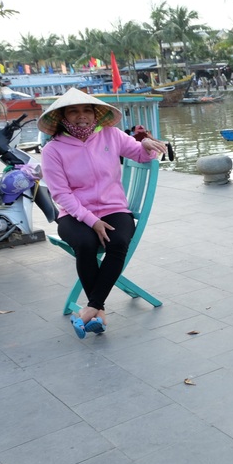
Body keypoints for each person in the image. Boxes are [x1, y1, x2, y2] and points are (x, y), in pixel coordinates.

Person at [39, 88, 168, 339]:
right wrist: (92, 220)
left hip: (114, 209)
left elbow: (140, 153)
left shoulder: (111, 134)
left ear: (95, 113)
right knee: (86, 243)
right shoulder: (52, 150)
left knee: (118, 241)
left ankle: (92, 309)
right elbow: (61, 194)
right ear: (62, 117)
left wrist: (146, 144)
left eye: (87, 110)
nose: (81, 116)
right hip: (73, 214)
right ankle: (99, 310)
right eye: (73, 111)